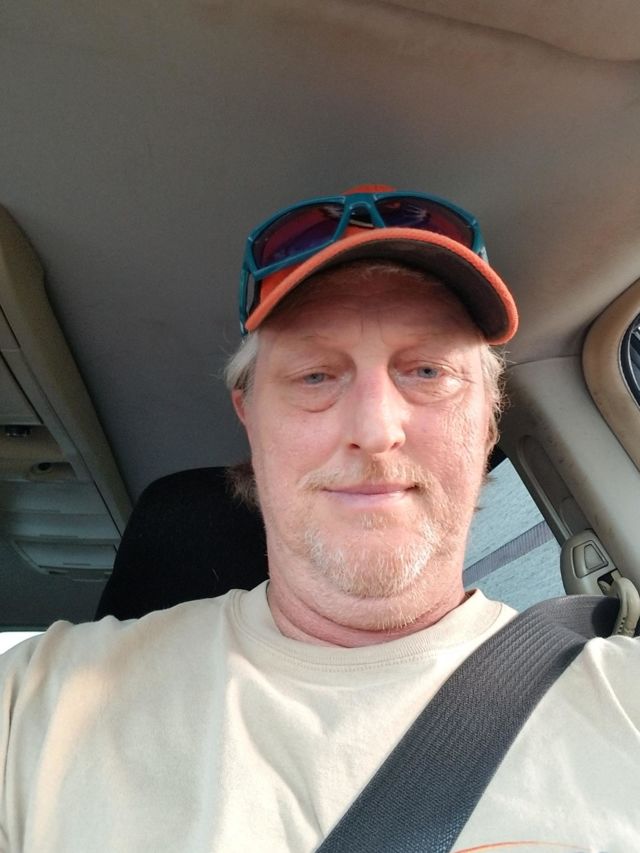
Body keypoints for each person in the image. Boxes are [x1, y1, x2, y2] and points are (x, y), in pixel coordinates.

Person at [0, 185, 638, 852]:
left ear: (487, 420)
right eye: (315, 376)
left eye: (427, 370)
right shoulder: (36, 708)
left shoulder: (626, 702)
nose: (376, 429)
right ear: (250, 419)